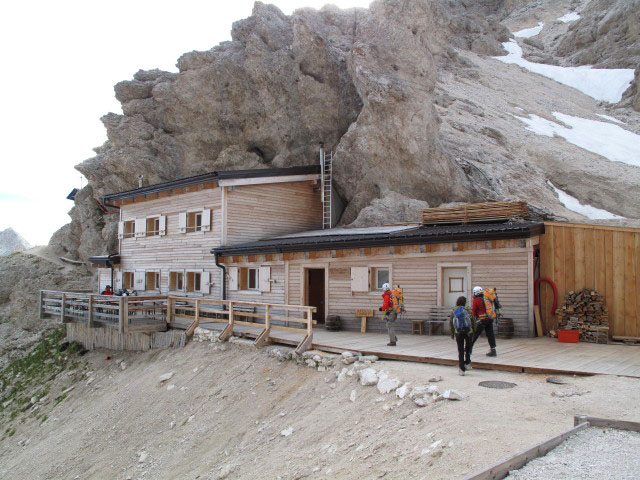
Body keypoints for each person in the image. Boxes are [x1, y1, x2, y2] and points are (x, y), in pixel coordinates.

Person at [449, 296, 475, 375]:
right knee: (468, 348)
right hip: (468, 332)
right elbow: (472, 321)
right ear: (465, 302)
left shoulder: (454, 311)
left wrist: (452, 333)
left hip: (458, 332)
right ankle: (467, 363)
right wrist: (473, 331)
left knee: (460, 350)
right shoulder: (468, 310)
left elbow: (451, 323)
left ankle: (461, 369)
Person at [471, 286, 497, 357]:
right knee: (490, 334)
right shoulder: (487, 298)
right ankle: (493, 350)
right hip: (490, 318)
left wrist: (475, 318)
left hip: (482, 320)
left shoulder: (477, 300)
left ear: (475, 293)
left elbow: (474, 311)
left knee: (475, 334)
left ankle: (468, 349)